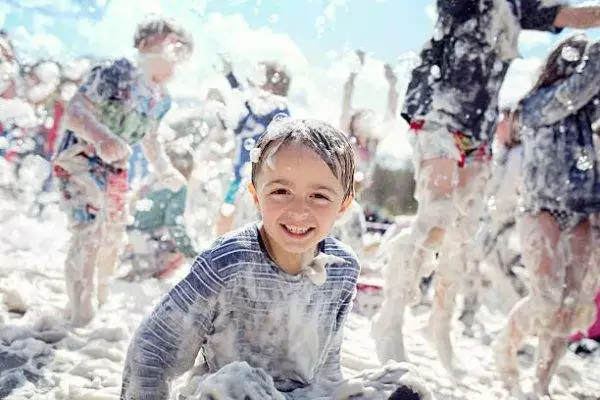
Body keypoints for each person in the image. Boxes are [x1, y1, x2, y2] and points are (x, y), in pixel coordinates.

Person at [120, 118, 433, 400]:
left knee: (404, 386)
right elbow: (152, 350)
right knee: (237, 383)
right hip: (230, 395)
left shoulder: (342, 268)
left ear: (343, 205)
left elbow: (327, 368)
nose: (299, 210)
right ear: (256, 195)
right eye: (281, 191)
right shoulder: (227, 263)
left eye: (320, 196)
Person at [372, 0, 600, 374]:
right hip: (436, 112)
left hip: (477, 130)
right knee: (438, 213)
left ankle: (439, 326)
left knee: (462, 236)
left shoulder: (516, 7)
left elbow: (574, 15)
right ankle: (390, 318)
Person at [52, 17, 193, 327]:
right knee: (90, 229)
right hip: (79, 159)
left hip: (115, 167)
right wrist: (103, 138)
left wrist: (164, 169)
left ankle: (102, 295)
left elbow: (150, 138)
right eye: (172, 46)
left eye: (183, 53)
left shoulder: (160, 98)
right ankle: (80, 311)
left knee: (114, 232)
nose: (177, 57)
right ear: (145, 46)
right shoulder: (116, 72)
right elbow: (75, 112)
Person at [493, 34, 600, 397]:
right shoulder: (536, 103)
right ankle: (505, 346)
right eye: (580, 60)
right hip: (541, 207)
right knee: (547, 298)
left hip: (584, 207)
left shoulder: (588, 109)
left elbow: (586, 91)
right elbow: (576, 90)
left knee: (570, 305)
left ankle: (540, 384)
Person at [214, 57, 291, 236]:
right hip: (239, 173)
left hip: (262, 177)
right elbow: (237, 120)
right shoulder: (250, 110)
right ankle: (217, 256)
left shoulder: (278, 109)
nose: (252, 84)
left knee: (255, 224)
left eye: (258, 79)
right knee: (226, 214)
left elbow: (252, 107)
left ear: (273, 85)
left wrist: (231, 77)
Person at [123, 146, 197, 280]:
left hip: (129, 237)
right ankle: (154, 274)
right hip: (147, 243)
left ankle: (140, 269)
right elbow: (173, 223)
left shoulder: (152, 179)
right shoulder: (179, 186)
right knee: (180, 249)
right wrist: (191, 253)